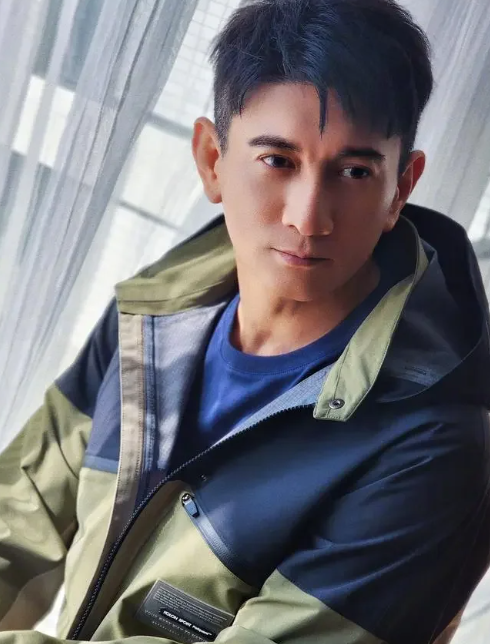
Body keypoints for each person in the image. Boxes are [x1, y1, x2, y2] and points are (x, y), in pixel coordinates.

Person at [1, 0, 490, 642]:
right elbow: (18, 517)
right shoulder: (150, 321)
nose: (308, 218)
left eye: (354, 171)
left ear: (400, 187)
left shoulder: (435, 447)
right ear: (212, 160)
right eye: (278, 161)